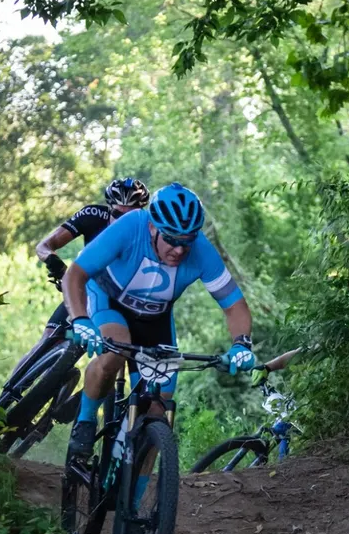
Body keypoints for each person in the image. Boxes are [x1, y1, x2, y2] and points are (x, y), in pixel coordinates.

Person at [61, 182, 257, 458]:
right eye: (172, 239)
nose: (179, 250)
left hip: (155, 319)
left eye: (187, 241)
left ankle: (139, 485)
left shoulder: (201, 250)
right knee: (114, 353)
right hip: (108, 298)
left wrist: (242, 344)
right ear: (153, 227)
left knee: (158, 410)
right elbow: (75, 275)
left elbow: (234, 306)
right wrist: (80, 319)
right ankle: (86, 421)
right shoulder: (132, 225)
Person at [0, 177, 149, 408]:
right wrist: (55, 263)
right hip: (87, 292)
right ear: (109, 208)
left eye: (131, 215)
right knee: (49, 338)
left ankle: (82, 407)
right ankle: (4, 399)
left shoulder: (149, 230)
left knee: (118, 357)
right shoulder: (93, 216)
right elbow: (44, 246)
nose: (123, 221)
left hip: (123, 301)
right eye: (118, 214)